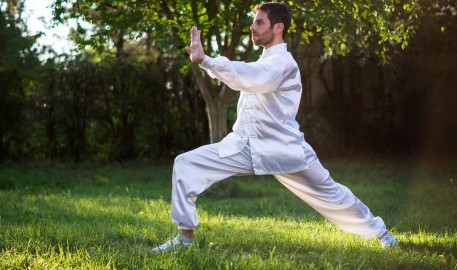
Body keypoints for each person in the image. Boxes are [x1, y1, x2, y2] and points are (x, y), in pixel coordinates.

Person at [151, 2, 398, 252]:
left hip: (284, 149)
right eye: (253, 22)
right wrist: (206, 63)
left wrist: (206, 60)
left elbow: (249, 76)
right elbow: (246, 77)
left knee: (331, 194)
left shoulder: (283, 64)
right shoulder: (265, 61)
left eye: (259, 23)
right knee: (186, 163)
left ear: (278, 27)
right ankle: (185, 239)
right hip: (245, 146)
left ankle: (381, 232)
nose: (252, 27)